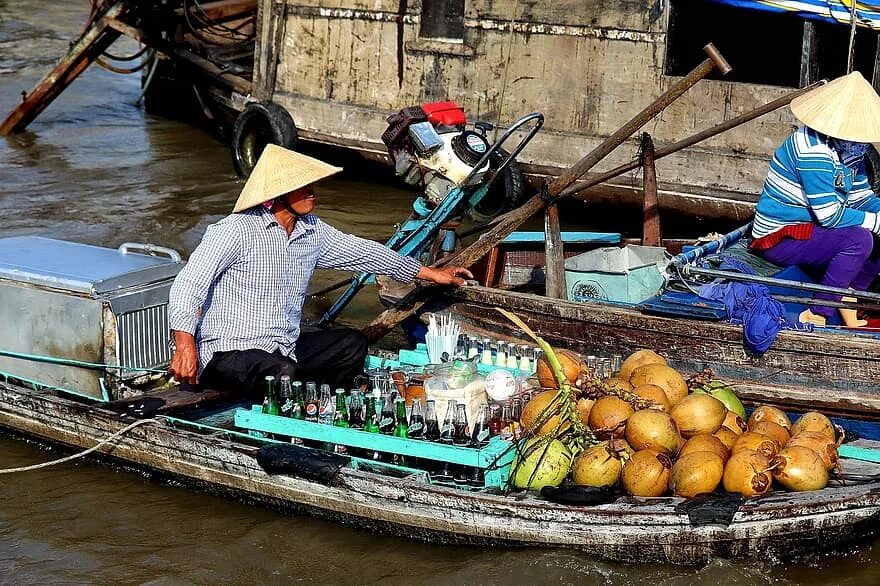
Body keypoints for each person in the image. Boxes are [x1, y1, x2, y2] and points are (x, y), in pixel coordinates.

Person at [168, 145, 473, 397]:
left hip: (281, 348)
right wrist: (185, 347)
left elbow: (366, 253)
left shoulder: (312, 232)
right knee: (281, 374)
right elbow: (188, 285)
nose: (313, 192)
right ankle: (290, 419)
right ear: (279, 193)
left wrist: (431, 274)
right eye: (304, 187)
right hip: (228, 354)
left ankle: (329, 407)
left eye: (312, 185)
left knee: (350, 345)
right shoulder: (235, 230)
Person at [750, 71, 880, 328]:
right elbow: (829, 214)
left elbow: (860, 196)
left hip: (814, 230)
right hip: (781, 235)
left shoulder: (853, 150)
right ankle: (817, 312)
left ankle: (850, 295)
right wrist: (875, 222)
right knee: (860, 239)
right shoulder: (812, 150)